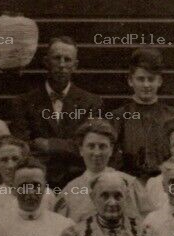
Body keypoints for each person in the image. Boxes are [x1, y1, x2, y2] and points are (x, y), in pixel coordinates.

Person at [7, 36, 103, 187]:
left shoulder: (91, 103)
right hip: (37, 182)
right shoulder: (23, 102)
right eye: (57, 58)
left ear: (75, 65)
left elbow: (89, 146)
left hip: (78, 182)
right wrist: (69, 147)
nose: (62, 64)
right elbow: (22, 148)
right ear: (46, 62)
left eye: (67, 59)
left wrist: (50, 145)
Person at [54, 119, 150, 223]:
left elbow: (148, 223)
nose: (97, 152)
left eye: (102, 146)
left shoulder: (130, 184)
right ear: (81, 150)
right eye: (91, 146)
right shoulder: (70, 191)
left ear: (111, 149)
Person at [108, 47, 174, 182]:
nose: (146, 85)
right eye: (141, 79)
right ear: (130, 80)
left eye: (151, 79)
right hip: (128, 185)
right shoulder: (117, 118)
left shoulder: (172, 116)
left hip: (164, 185)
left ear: (160, 81)